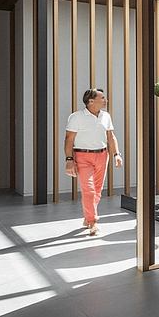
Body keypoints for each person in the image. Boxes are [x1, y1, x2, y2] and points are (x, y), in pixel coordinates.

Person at [64, 88, 123, 235]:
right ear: (91, 101)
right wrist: (69, 159)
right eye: (102, 98)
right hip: (82, 156)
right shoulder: (76, 117)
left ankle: (87, 217)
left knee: (97, 191)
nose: (105, 100)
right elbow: (69, 139)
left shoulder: (106, 116)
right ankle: (93, 221)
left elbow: (111, 137)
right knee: (88, 190)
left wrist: (116, 154)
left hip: (102, 156)